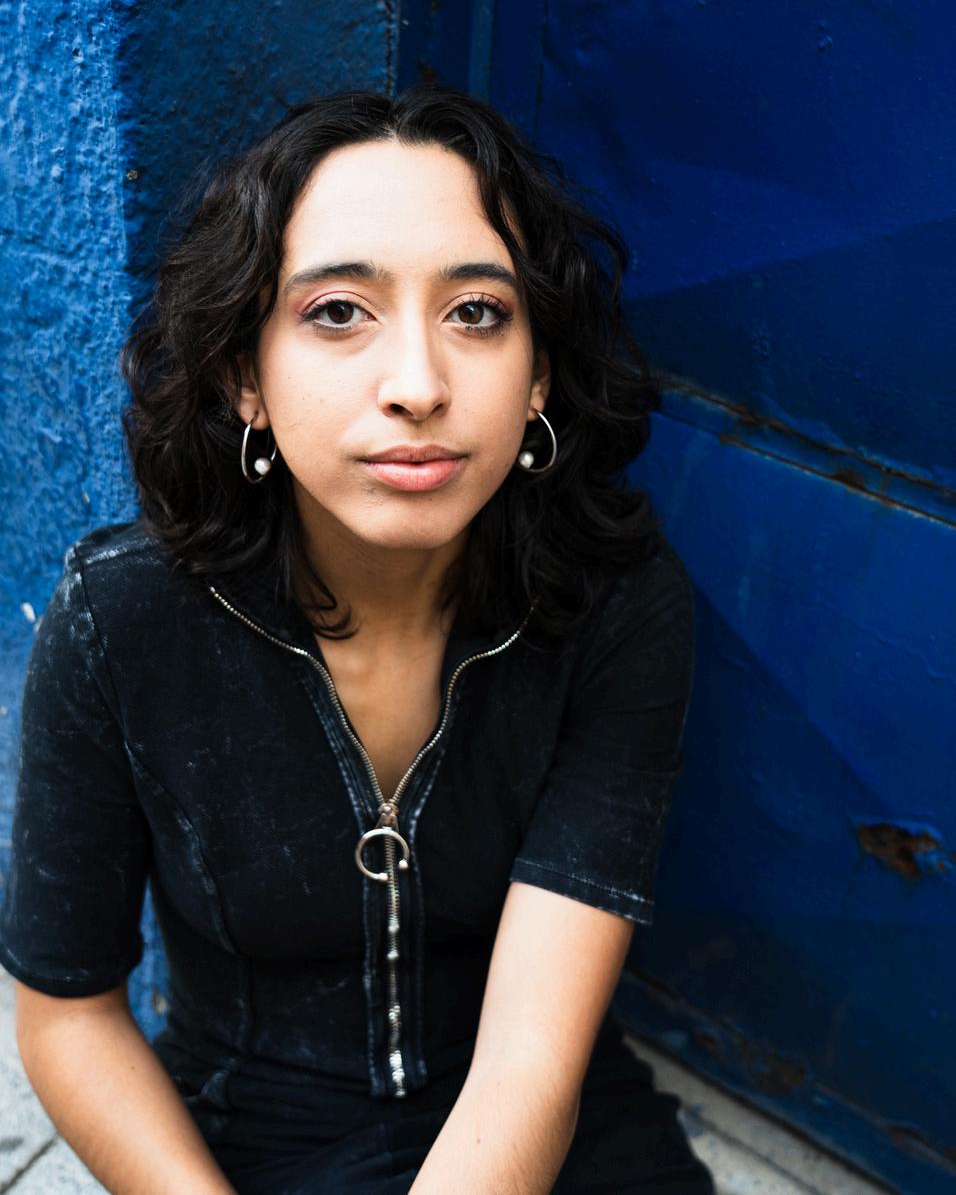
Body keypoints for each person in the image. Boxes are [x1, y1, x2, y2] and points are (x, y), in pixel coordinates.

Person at [0, 84, 715, 1194]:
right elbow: (68, 1013)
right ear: (245, 375)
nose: (418, 386)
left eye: (476, 312)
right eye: (337, 312)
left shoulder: (614, 604)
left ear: (537, 374)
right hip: (242, 1133)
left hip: (533, 1120)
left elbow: (528, 1062)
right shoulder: (121, 621)